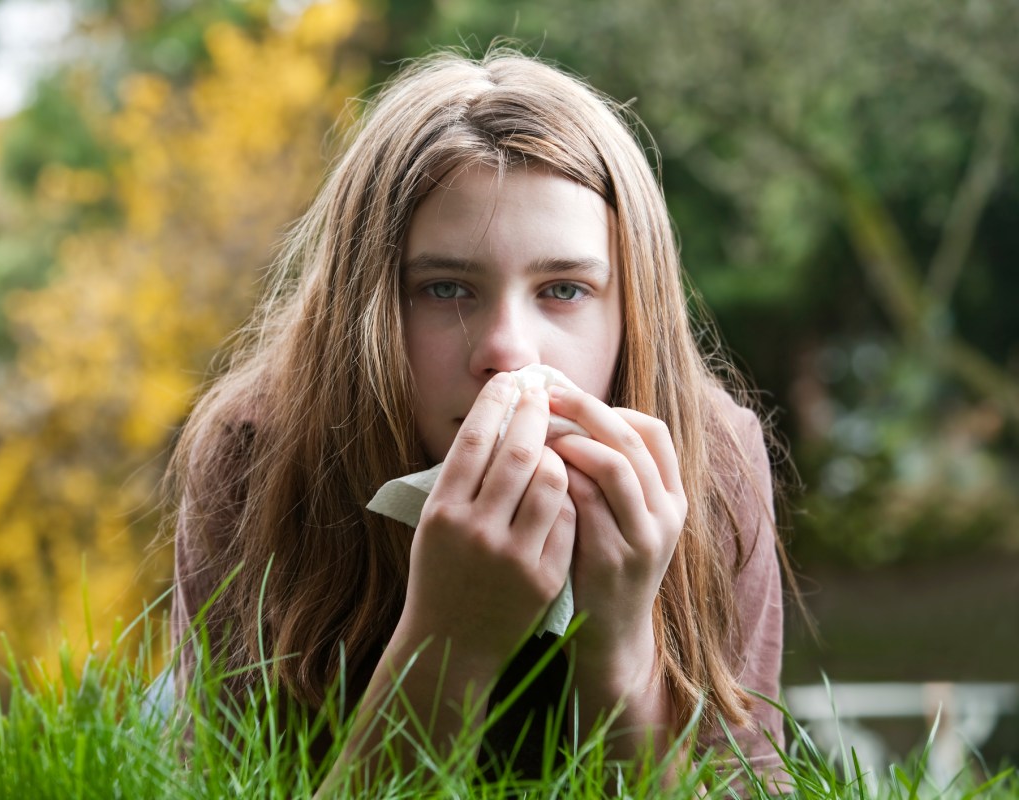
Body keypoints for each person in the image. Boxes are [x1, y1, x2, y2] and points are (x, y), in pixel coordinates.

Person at [169, 47, 789, 788]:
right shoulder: (255, 451)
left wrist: (620, 645)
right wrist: (447, 638)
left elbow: (744, 778)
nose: (508, 354)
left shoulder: (710, 457)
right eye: (445, 289)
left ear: (635, 313)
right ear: (367, 311)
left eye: (563, 290)